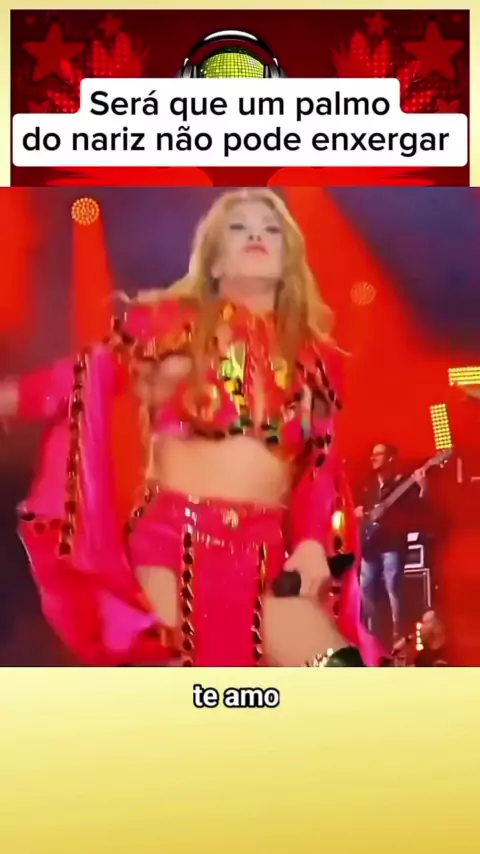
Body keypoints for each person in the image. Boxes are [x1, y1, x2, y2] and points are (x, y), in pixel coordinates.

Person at [0, 188, 370, 667]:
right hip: (173, 545)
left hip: (265, 554)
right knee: (171, 684)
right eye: (239, 227)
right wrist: (13, 397)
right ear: (214, 260)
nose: (256, 234)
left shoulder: (317, 358)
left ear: (290, 259)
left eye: (270, 229)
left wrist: (313, 543)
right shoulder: (167, 324)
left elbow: (319, 463)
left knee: (340, 675)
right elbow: (87, 373)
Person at [355, 443, 426, 643]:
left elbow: (418, 510)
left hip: (392, 544)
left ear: (391, 458)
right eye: (372, 454)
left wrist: (423, 487)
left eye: (378, 454)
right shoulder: (368, 486)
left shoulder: (402, 483)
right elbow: (359, 511)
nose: (373, 457)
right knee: (364, 588)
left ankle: (397, 634)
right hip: (370, 546)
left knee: (393, 586)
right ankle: (366, 634)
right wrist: (358, 512)